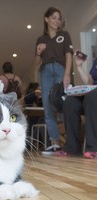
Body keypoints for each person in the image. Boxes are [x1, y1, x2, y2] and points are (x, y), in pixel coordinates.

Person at [33, 7, 73, 155]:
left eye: (59, 18)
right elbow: (36, 65)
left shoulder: (64, 35)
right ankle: (55, 143)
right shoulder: (40, 39)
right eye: (54, 17)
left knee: (64, 105)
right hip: (45, 73)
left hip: (61, 69)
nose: (57, 21)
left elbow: (69, 55)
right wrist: (38, 52)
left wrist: (67, 74)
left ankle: (71, 142)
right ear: (46, 19)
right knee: (48, 105)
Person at [55, 51, 97, 159]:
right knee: (70, 101)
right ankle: (72, 147)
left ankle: (93, 147)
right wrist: (79, 66)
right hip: (93, 95)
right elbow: (89, 82)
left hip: (93, 97)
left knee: (91, 96)